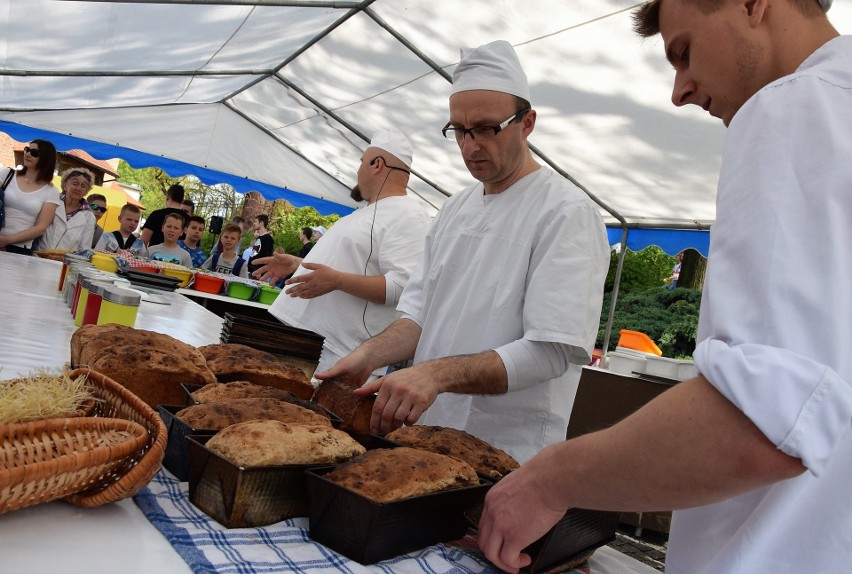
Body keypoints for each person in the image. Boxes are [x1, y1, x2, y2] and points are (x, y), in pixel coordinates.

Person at [477, 2, 852, 573]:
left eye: (684, 53)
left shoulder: (793, 107)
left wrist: (549, 480)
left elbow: (766, 421)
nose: (679, 91)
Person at [318, 41, 610, 464]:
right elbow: (419, 314)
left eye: (488, 128)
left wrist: (435, 374)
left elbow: (552, 350)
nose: (470, 146)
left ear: (527, 123)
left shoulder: (566, 212)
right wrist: (367, 355)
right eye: (459, 130)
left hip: (507, 451)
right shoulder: (456, 207)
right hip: (430, 436)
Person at [253, 128, 431, 377]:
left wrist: (336, 280)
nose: (358, 171)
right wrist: (298, 264)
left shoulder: (409, 215)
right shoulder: (367, 212)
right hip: (306, 345)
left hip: (336, 355)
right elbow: (350, 267)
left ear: (377, 164)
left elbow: (402, 288)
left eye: (361, 163)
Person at [0, 140, 60, 255]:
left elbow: (41, 227)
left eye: (34, 152)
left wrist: (7, 240)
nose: (27, 154)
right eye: (27, 150)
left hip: (20, 248)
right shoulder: (7, 174)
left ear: (46, 159)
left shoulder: (51, 191)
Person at [39, 168, 97, 251]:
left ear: (86, 192)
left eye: (83, 186)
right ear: (65, 185)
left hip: (65, 262)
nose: (78, 188)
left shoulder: (89, 217)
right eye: (75, 183)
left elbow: (84, 248)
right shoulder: (52, 202)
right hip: (38, 256)